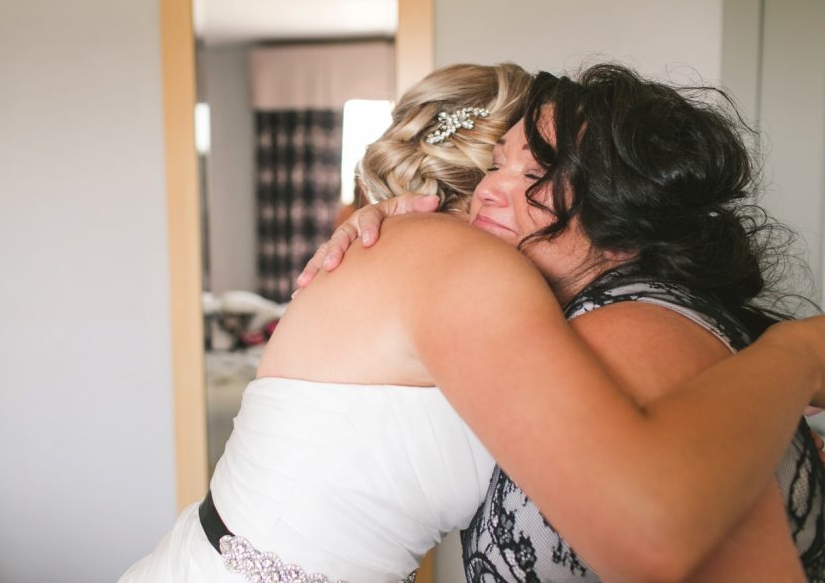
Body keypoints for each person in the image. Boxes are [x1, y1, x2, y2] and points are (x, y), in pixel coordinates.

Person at [120, 64, 825, 583]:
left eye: (536, 170)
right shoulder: (453, 261)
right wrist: (800, 350)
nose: (494, 187)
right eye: (495, 163)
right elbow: (649, 530)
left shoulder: (552, 304)